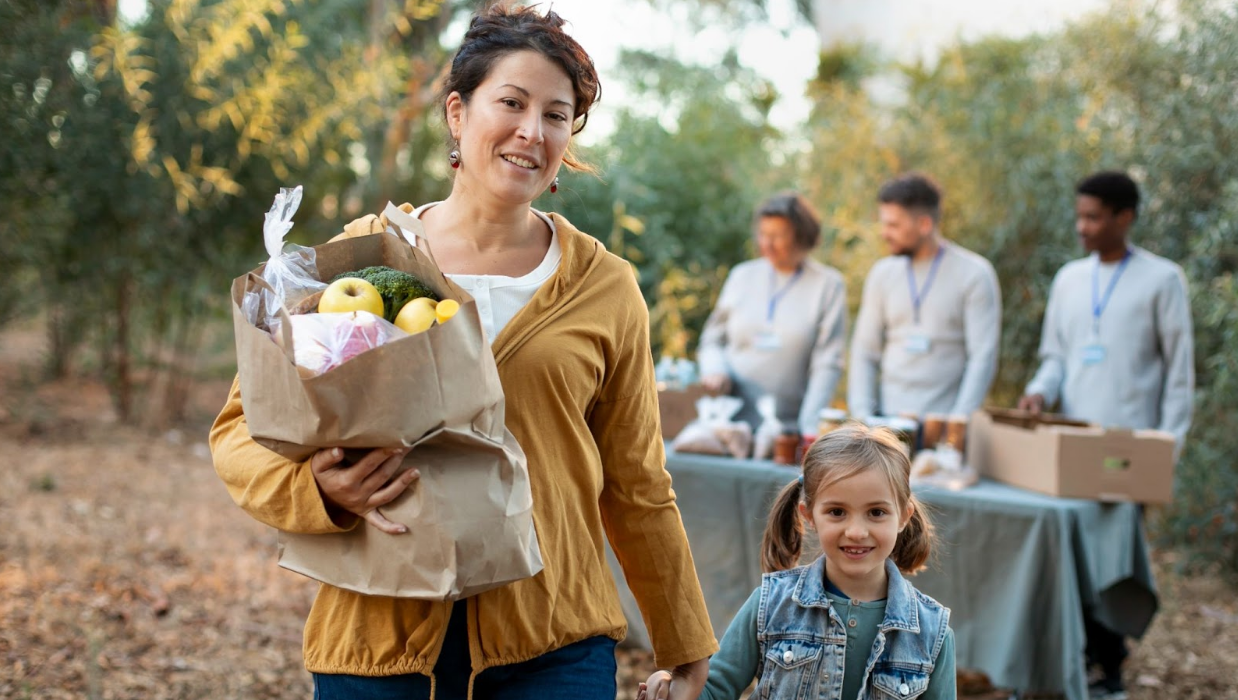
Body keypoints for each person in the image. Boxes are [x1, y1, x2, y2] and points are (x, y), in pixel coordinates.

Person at [210, 7, 717, 699]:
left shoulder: (605, 288)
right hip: (378, 635)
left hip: (554, 642)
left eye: (556, 115)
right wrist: (318, 492)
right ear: (457, 111)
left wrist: (685, 644)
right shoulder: (366, 255)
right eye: (510, 102)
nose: (531, 132)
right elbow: (242, 429)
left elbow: (636, 482)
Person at [1018, 170, 1194, 700]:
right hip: (1069, 446)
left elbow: (1180, 375)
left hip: (1128, 451)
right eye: (1080, 215)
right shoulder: (1070, 278)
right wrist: (1037, 393)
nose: (1083, 227)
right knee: (1067, 554)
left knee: (1112, 563)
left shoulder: (1163, 280)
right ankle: (1072, 661)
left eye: (1094, 216)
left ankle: (1109, 671)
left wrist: (1166, 450)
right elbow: (1056, 358)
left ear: (1126, 216)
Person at [639, 424, 956, 700]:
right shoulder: (770, 603)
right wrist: (669, 686)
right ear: (809, 516)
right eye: (836, 512)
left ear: (902, 516)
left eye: (876, 512)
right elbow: (714, 690)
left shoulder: (932, 632)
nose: (857, 531)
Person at [848, 173, 1001, 420]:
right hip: (886, 424)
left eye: (893, 225)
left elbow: (983, 357)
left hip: (943, 423)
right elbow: (864, 352)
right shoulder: (882, 274)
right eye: (884, 223)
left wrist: (958, 423)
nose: (884, 233)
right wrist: (863, 417)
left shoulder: (974, 274)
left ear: (924, 225)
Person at [697, 193, 848, 436]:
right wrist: (715, 368)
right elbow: (712, 339)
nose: (766, 244)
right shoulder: (741, 276)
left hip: (787, 430)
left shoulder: (828, 285)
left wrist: (807, 427)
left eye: (777, 236)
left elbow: (827, 363)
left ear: (801, 237)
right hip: (729, 425)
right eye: (763, 234)